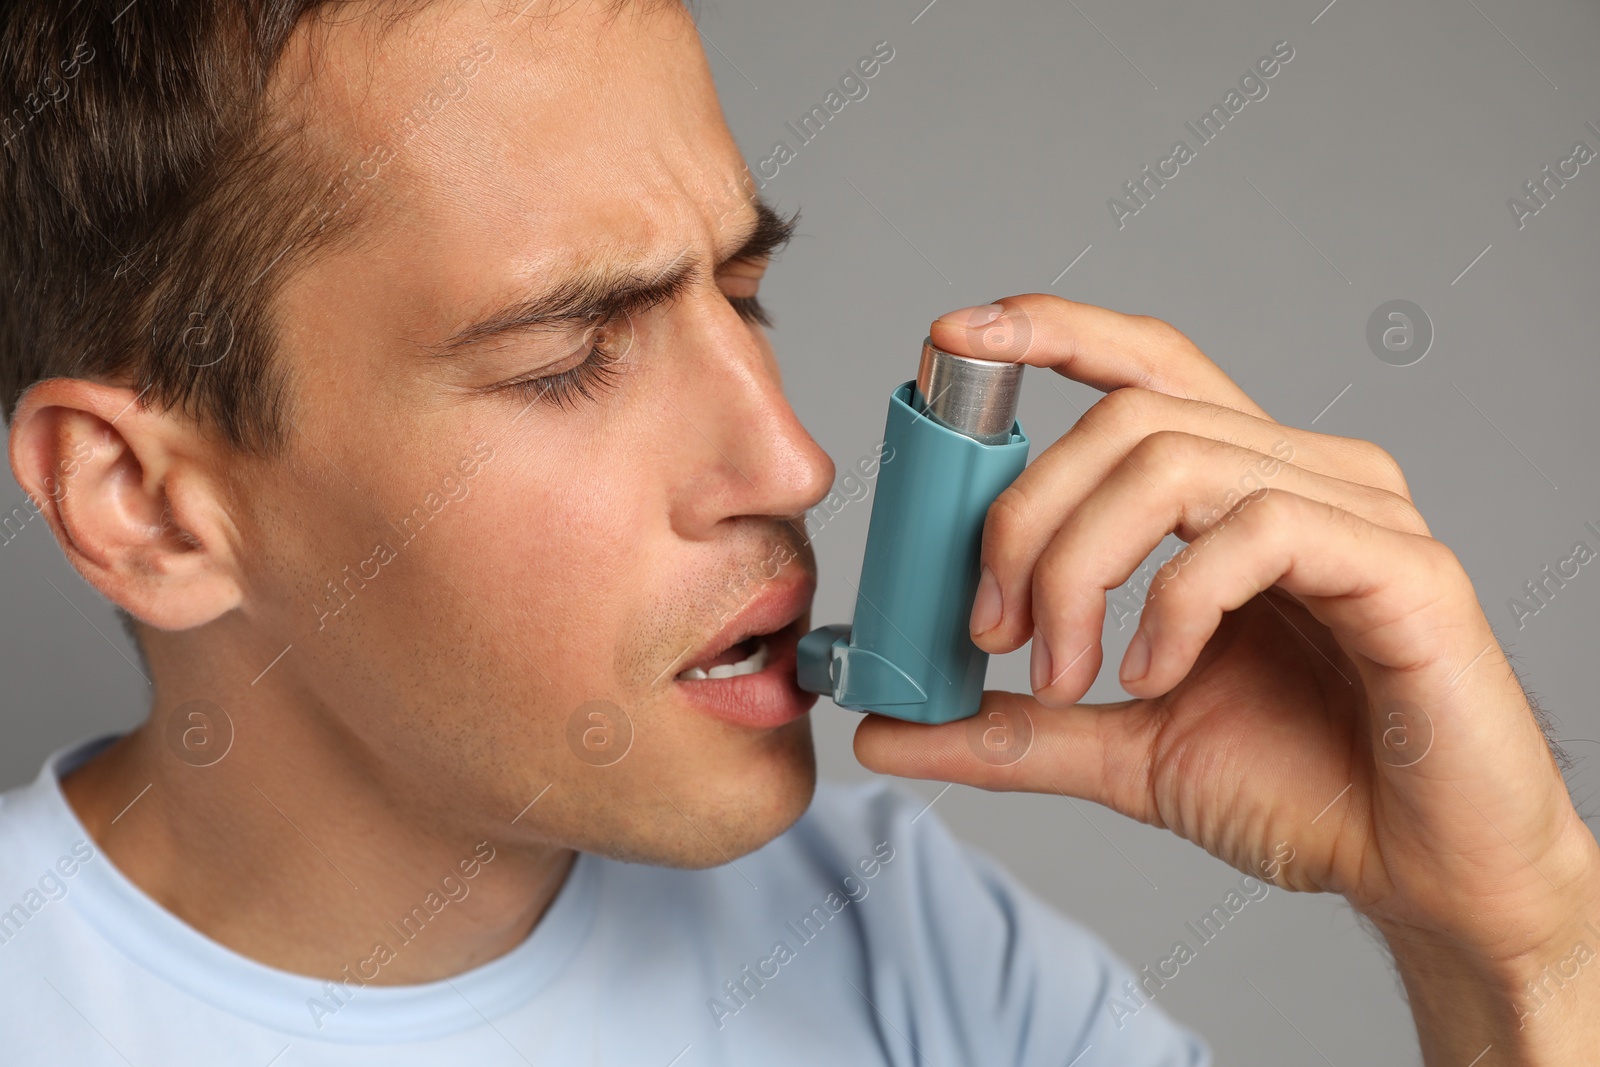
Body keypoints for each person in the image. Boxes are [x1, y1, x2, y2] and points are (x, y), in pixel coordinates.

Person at [1, 0, 1595, 1063]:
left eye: (743, 296)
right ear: (142, 503)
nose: (792, 457)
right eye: (568, 359)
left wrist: (1513, 945)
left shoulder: (908, 938)